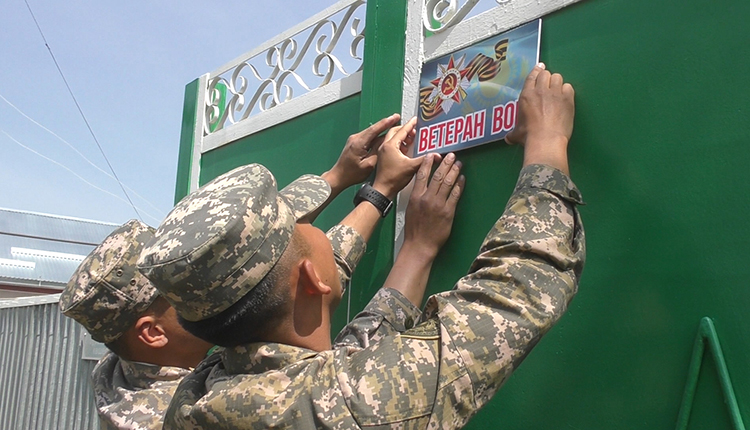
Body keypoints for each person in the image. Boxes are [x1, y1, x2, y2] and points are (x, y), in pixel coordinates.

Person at [139, 62, 585, 429]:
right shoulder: (351, 406)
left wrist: (409, 236)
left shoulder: (197, 397)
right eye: (305, 230)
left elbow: (350, 358)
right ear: (314, 279)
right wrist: (547, 141)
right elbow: (519, 290)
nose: (324, 234)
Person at [58, 114, 412, 430]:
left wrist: (335, 177)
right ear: (151, 333)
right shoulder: (179, 413)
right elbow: (299, 283)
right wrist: (379, 195)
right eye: (183, 287)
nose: (207, 278)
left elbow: (247, 247)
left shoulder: (122, 367)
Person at [59, 219, 214, 430]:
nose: (207, 288)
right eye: (183, 289)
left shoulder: (117, 370)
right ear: (153, 333)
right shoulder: (188, 417)